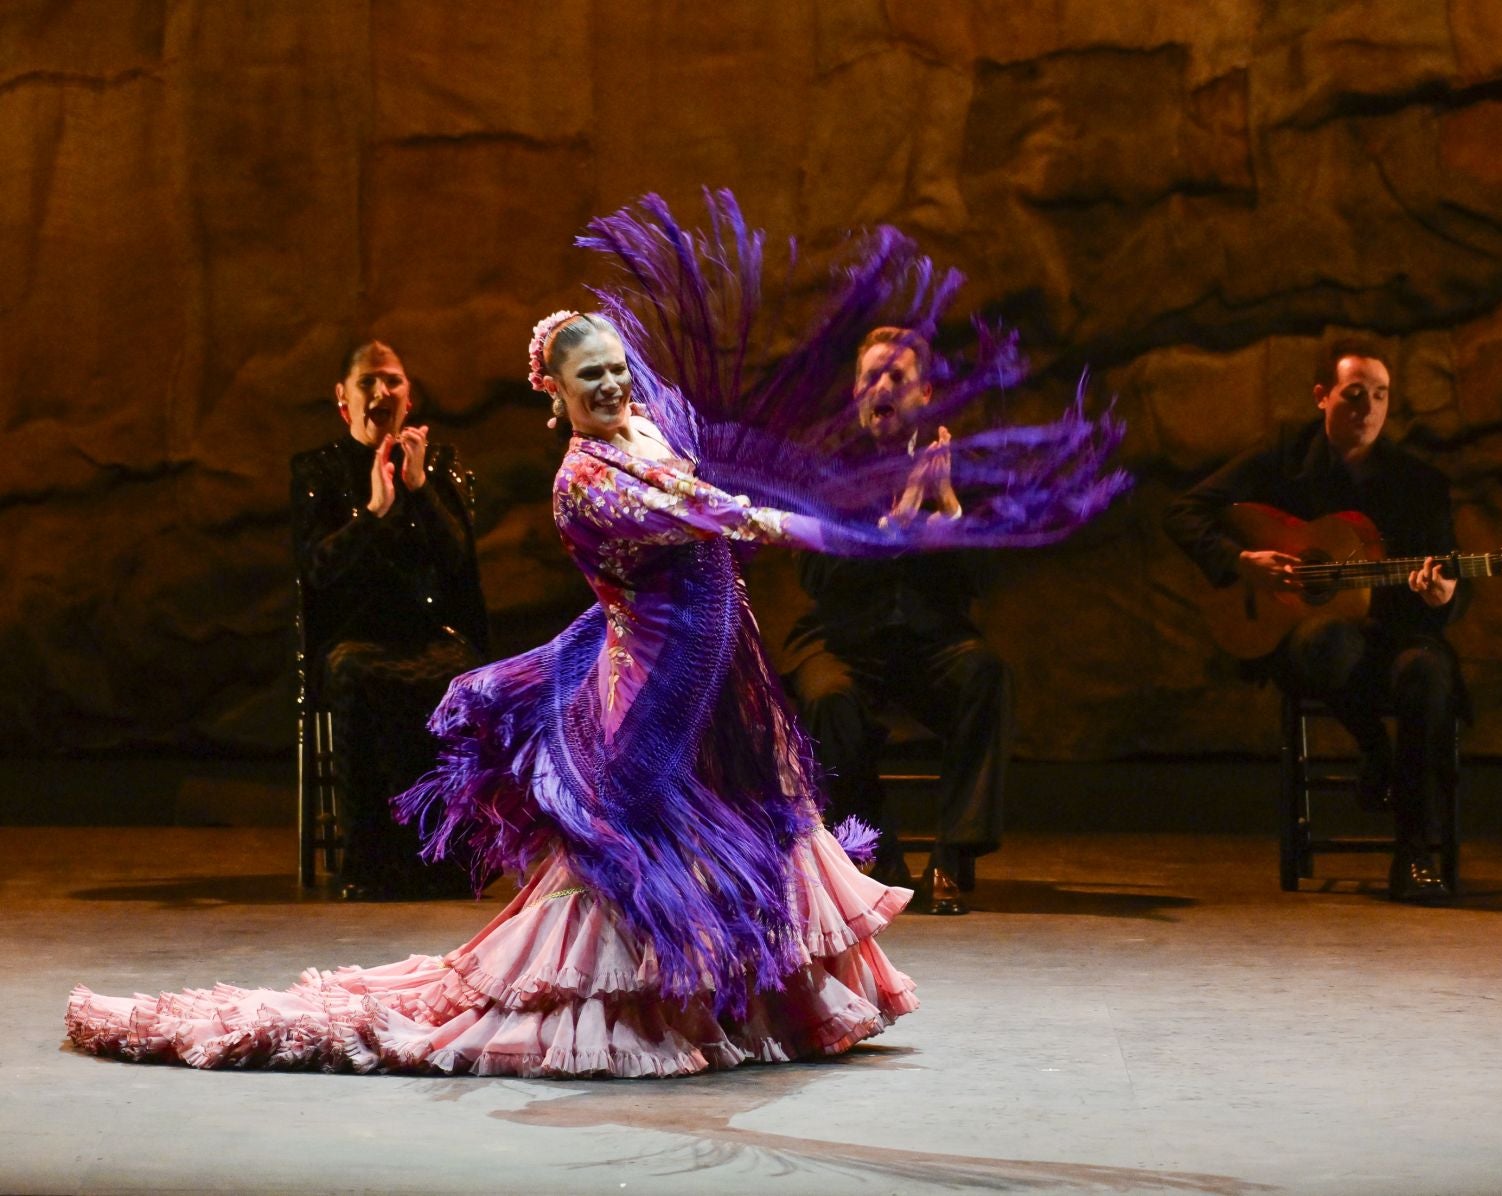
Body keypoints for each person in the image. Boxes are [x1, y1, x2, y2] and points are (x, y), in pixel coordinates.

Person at [66, 193, 1126, 1077]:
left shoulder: (643, 427)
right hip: (656, 689)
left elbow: (703, 446)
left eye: (619, 369)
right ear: (555, 398)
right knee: (640, 854)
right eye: (594, 379)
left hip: (715, 678)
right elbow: (732, 517)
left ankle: (754, 1010)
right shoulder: (590, 481)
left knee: (754, 827)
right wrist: (859, 531)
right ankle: (622, 1019)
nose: (616, 386)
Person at [1163, 339, 1463, 903]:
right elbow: (1183, 511)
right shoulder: (1283, 454)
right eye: (1354, 396)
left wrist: (1441, 594)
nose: (1368, 409)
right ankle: (1376, 747)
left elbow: (1451, 583)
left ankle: (1416, 855)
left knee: (1428, 672)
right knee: (1327, 639)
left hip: (1397, 638)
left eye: (1380, 396)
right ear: (1321, 397)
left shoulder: (1417, 481)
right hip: (1311, 642)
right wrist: (1240, 562)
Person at [784, 327, 1013, 916]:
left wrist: (951, 512)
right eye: (870, 377)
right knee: (828, 695)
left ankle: (953, 858)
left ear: (925, 393)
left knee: (984, 674)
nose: (880, 387)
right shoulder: (822, 468)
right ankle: (876, 853)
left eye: (897, 378)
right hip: (845, 640)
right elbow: (814, 579)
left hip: (931, 644)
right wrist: (892, 530)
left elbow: (987, 584)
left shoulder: (961, 463)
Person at [291, 341, 487, 900]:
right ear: (343, 399)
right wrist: (373, 514)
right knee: (358, 674)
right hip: (352, 637)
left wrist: (420, 487)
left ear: (408, 394)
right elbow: (317, 571)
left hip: (428, 635)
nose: (381, 393)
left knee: (464, 676)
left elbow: (457, 564)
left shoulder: (439, 464)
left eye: (392, 381)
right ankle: (373, 861)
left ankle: (448, 857)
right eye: (368, 382)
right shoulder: (318, 471)